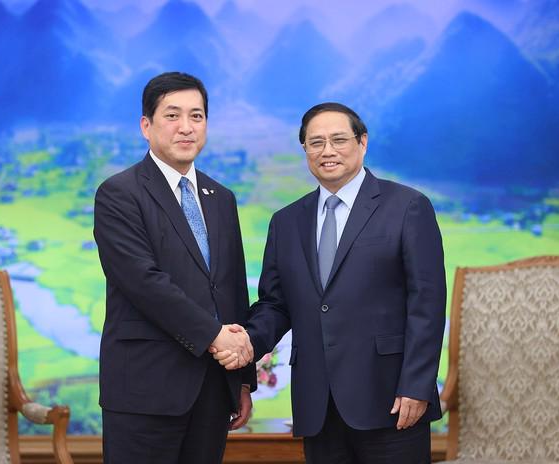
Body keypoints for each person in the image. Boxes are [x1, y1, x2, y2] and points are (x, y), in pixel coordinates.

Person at [214, 102, 446, 463]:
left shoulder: (408, 207)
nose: (328, 151)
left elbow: (427, 304)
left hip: (392, 401)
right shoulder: (287, 221)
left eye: (339, 139)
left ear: (362, 142)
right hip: (318, 405)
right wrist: (244, 344)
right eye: (316, 142)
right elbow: (276, 304)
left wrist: (416, 387)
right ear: (305, 149)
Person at [94, 71, 255, 464]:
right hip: (145, 390)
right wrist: (217, 337)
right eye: (173, 115)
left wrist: (241, 380)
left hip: (213, 389)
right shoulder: (119, 194)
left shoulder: (221, 197)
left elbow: (231, 289)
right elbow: (144, 284)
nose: (186, 127)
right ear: (146, 126)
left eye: (197, 116)